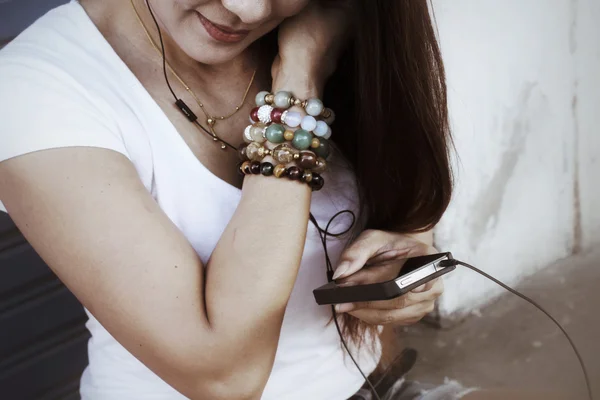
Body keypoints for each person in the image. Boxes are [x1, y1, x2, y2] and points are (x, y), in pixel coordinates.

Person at [0, 0, 504, 399]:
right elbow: (225, 378)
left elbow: (407, 199)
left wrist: (406, 254)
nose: (248, 10)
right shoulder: (34, 88)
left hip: (369, 384)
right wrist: (300, 82)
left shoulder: (329, 23)